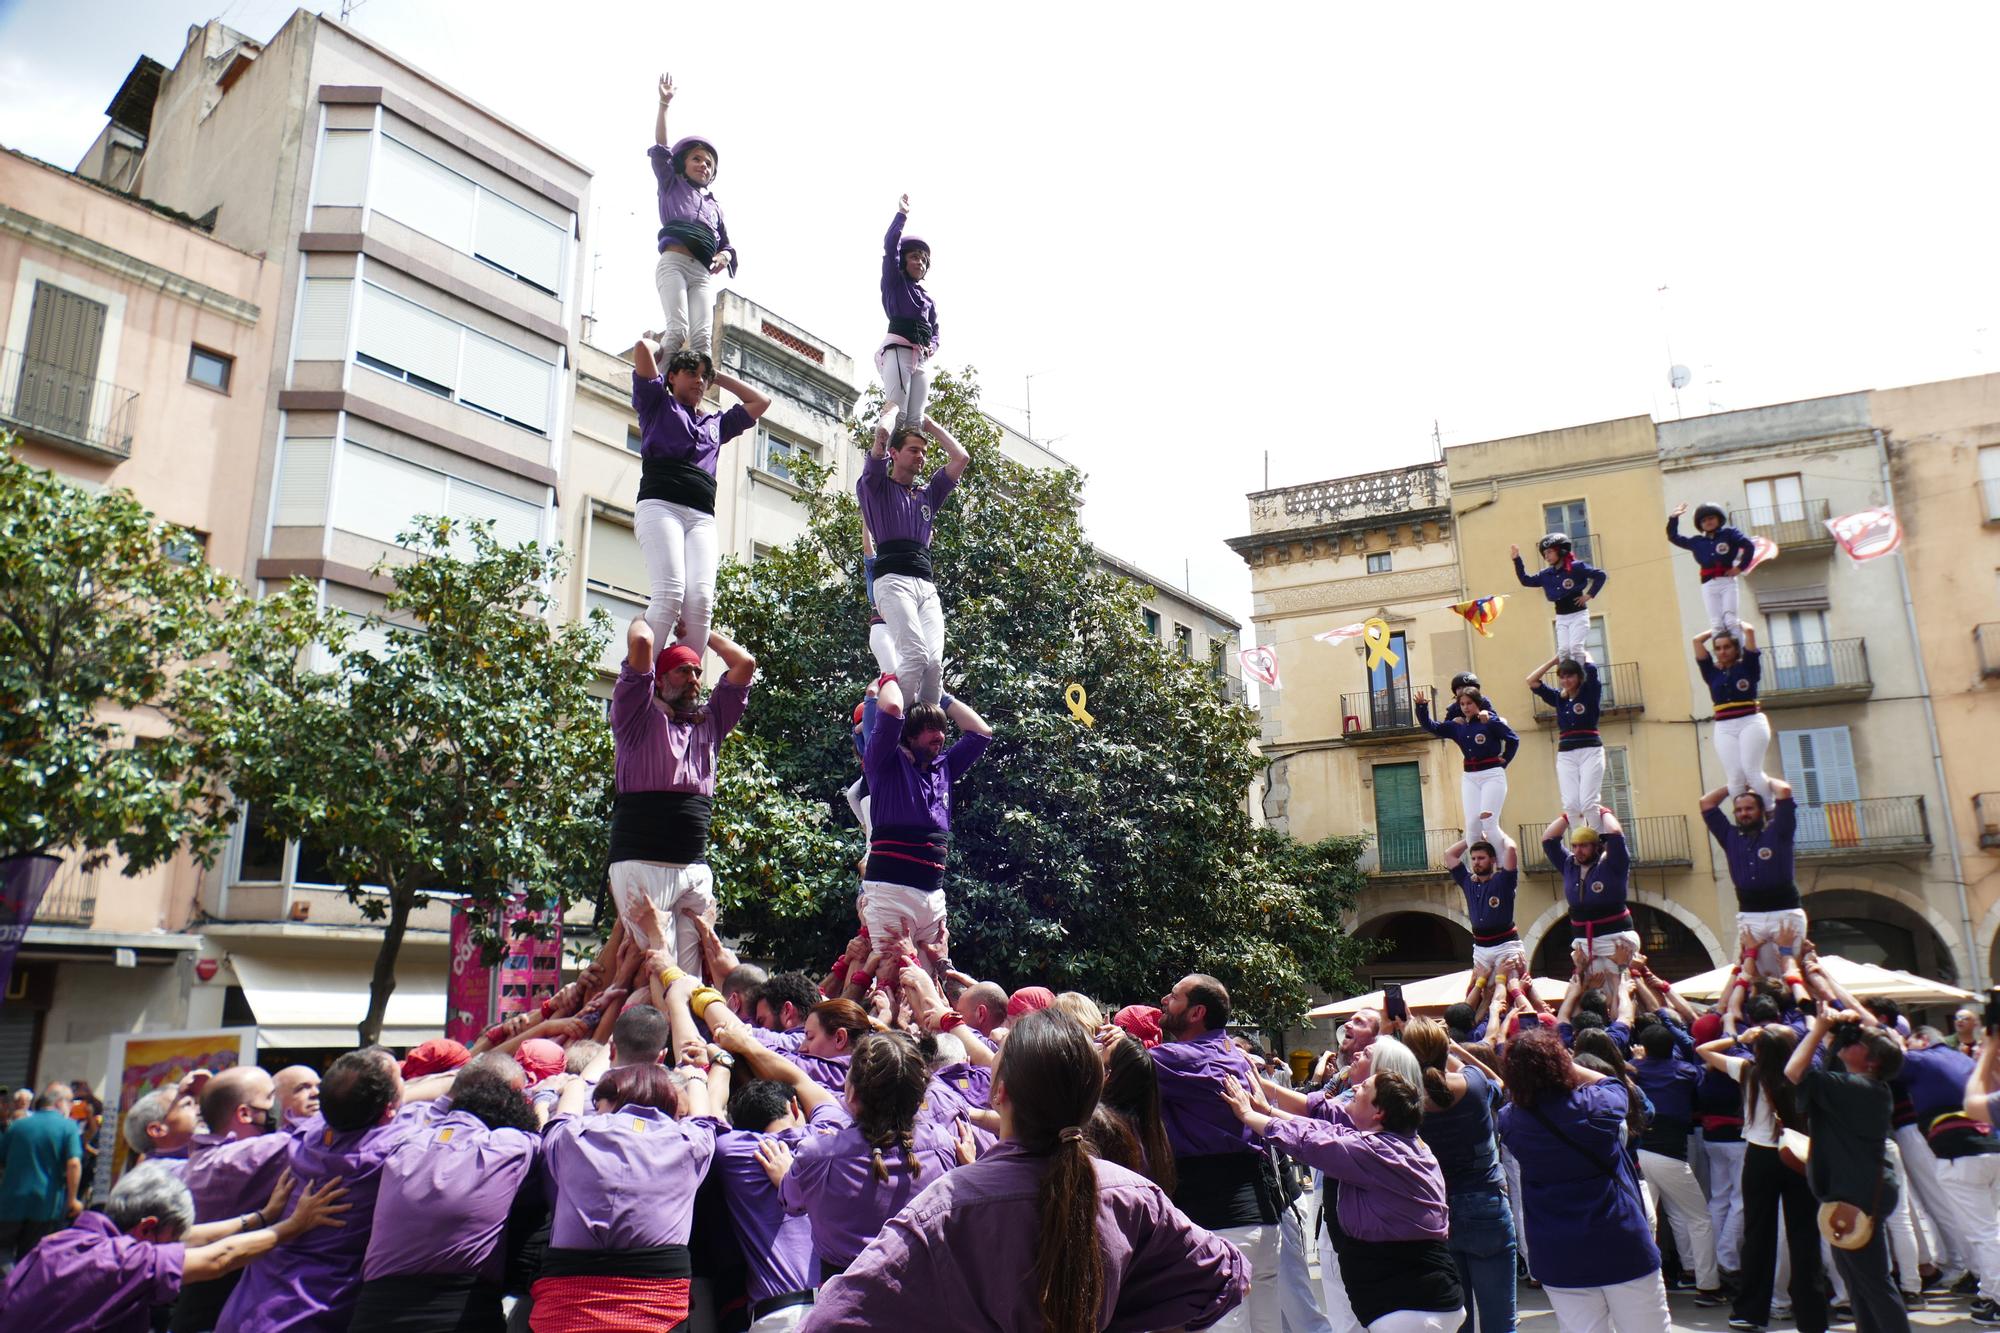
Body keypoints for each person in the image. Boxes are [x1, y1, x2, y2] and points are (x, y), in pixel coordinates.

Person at [804, 1009, 1250, 1331]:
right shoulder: (1130, 1194)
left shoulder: (946, 1206)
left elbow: (832, 1318)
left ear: (998, 1092)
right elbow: (1229, 1277)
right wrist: (1114, 1314)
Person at [1221, 1066, 1465, 1333]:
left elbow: (1310, 1141)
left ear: (1379, 1112)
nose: (1355, 1087)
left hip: (1408, 1307)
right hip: (1427, 1300)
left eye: (1365, 1087)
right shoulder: (1402, 1144)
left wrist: (1248, 1115)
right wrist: (1267, 1111)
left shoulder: (1374, 1153)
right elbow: (1327, 1131)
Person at [0, 1161, 348, 1333]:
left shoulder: (66, 1240)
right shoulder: (120, 1262)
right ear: (148, 1227)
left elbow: (188, 1238)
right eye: (169, 1238)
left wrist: (261, 1217)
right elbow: (219, 1259)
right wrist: (294, 1225)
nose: (175, 1246)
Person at [217, 1049, 418, 1333]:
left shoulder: (304, 1137)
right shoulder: (391, 1150)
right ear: (388, 1111)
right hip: (306, 1318)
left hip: (247, 1311)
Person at [1495, 1028, 1670, 1333]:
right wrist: (1565, 1064)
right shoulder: (1596, 1104)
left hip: (1556, 1249)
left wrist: (1532, 1073)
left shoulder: (1512, 1120)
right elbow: (1612, 1082)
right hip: (1619, 1238)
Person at [608, 616, 757, 967]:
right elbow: (642, 642)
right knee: (650, 969)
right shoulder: (636, 717)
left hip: (693, 866)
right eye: (683, 671)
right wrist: (652, 616)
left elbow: (745, 664)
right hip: (643, 864)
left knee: (690, 978)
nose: (693, 679)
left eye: (697, 672)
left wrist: (702, 631)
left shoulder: (710, 722)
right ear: (659, 680)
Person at [351, 1057, 542, 1331]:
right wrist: (547, 1097)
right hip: (460, 1314)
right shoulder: (509, 1146)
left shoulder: (403, 1140)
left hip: (373, 1312)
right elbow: (549, 1135)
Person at [533, 1060, 717, 1331]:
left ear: (611, 1100)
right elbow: (704, 1119)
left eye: (598, 1105)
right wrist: (696, 1079)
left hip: (566, 1316)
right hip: (658, 1318)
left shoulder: (572, 1137)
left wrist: (573, 1083)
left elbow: (561, 1119)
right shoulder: (691, 1143)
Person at [764, 1030, 959, 1278]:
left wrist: (785, 1175)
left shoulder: (816, 1156)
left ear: (851, 1092)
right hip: (919, 1289)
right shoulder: (942, 1145)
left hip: (843, 1291)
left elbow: (792, 1202)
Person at [1152, 974, 1283, 1332]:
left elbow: (1115, 1071)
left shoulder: (1178, 1058)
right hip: (1261, 1219)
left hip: (1220, 1221)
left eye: (1174, 996)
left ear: (1196, 1012)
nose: (1164, 1000)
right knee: (1266, 1326)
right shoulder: (1231, 1054)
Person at [628, 330, 771, 656]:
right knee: (670, 592)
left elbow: (760, 402)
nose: (699, 381)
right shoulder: (657, 404)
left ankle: (685, 673)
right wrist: (663, 346)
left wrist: (716, 375)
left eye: (703, 377)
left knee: (701, 600)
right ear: (671, 376)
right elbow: (641, 349)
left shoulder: (715, 423)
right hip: (661, 505)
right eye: (691, 373)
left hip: (701, 517)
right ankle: (643, 675)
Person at [1785, 1008, 1912, 1333]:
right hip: (1855, 1190)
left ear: (1872, 1061)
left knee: (1874, 1283)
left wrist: (1818, 1029)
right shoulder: (1861, 1085)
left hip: (1858, 1194)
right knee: (1858, 1281)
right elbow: (1828, 1062)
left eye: (1859, 1043)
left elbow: (1794, 1071)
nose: (1850, 1043)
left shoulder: (1858, 1088)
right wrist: (1836, 1030)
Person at [856, 675, 992, 977]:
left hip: (933, 897)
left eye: (942, 729)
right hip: (891, 894)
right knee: (892, 981)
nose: (940, 735)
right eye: (930, 728)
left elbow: (981, 732)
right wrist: (891, 676)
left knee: (929, 984)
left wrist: (940, 696)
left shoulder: (945, 766)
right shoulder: (885, 763)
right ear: (910, 735)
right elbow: (892, 709)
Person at [1697, 1022, 1828, 1333]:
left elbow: (1703, 1049)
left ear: (1760, 1049)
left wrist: (1738, 1037)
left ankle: (1750, 1312)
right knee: (1805, 1237)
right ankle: (1812, 1319)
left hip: (1759, 1156)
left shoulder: (1748, 1071)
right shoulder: (1803, 1073)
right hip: (1797, 1153)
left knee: (1758, 1235)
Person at [1402, 1017, 1516, 1333]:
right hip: (1486, 1205)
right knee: (1501, 1323)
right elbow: (1498, 1083)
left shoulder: (1404, 1102)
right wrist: (1453, 1048)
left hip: (1435, 1214)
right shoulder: (1474, 1084)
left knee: (1456, 1322)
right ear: (1445, 1049)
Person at [855, 413, 970, 705]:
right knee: (915, 655)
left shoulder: (927, 495)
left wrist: (929, 425)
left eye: (924, 452)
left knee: (934, 665)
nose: (921, 456)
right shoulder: (876, 487)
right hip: (893, 581)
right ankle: (895, 721)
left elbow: (961, 458)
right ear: (894, 454)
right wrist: (893, 412)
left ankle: (926, 726)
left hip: (925, 585)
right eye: (914, 450)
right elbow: (881, 438)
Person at [172, 1066, 290, 1332]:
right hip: (218, 1315)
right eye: (271, 1097)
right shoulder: (240, 1158)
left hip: (198, 1311)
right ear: (245, 1113)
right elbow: (308, 1140)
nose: (277, 1106)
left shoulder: (203, 1157)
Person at [1898, 1032, 2000, 1321]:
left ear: (1923, 1039)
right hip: (1990, 1147)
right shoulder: (1964, 1063)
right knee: (1990, 1229)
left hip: (1960, 1155)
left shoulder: (1923, 1061)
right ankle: (1989, 1293)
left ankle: (1997, 1299)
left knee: (1984, 1233)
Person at [1629, 1021, 1724, 1304]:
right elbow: (1703, 1068)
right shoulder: (1684, 1071)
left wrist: (1638, 1060)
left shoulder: (1633, 1069)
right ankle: (1708, 1286)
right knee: (1699, 1219)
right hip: (1671, 1156)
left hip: (1639, 1154)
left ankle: (1649, 1283)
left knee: (1648, 1221)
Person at [648, 74, 734, 358]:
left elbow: (728, 246)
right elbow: (661, 148)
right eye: (697, 159)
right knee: (677, 330)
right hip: (674, 262)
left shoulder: (714, 207)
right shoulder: (672, 184)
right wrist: (664, 104)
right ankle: (660, 379)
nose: (703, 166)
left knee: (702, 340)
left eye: (709, 163)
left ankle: (697, 384)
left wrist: (725, 256)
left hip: (701, 273)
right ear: (683, 163)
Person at [1700, 777, 1807, 985]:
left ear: (1761, 810)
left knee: (1790, 971)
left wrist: (1758, 778)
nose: (1744, 813)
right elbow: (1706, 803)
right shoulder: (1729, 836)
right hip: (1750, 915)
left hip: (1785, 912)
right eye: (1739, 810)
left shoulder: (1779, 832)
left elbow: (1784, 790)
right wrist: (1734, 785)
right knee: (1758, 977)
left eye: (1749, 808)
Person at [1541, 809, 1639, 985]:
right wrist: (1570, 814)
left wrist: (1601, 811)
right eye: (1575, 846)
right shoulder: (1569, 864)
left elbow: (1615, 833)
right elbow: (1548, 840)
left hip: (1615, 938)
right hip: (1584, 941)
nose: (1578, 851)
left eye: (1584, 845)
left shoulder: (1613, 863)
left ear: (1596, 846)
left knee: (1622, 987)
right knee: (1589, 990)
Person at [1415, 686, 1519, 846]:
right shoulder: (1457, 726)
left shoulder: (1489, 721)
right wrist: (1422, 707)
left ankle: (1505, 859)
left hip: (1492, 775)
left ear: (1478, 703)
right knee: (1472, 825)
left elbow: (1513, 739)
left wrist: (1505, 758)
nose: (1465, 707)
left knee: (1489, 823)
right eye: (1462, 704)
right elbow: (1433, 727)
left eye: (1469, 703)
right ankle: (1476, 861)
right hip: (1469, 777)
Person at [876, 194, 939, 447]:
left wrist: (932, 346)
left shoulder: (928, 300)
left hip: (920, 358)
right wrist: (901, 215)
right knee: (898, 412)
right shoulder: (895, 282)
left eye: (923, 260)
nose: (919, 262)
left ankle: (906, 464)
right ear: (904, 260)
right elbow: (890, 247)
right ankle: (881, 456)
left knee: (915, 420)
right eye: (914, 257)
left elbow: (935, 331)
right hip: (899, 350)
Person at [0, 1084, 81, 1270]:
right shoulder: (68, 1127)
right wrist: (73, 1199)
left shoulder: (18, 1125)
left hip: (10, 1201)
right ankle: (17, 1284)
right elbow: (74, 1164)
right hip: (45, 1204)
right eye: (70, 1102)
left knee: (3, 1248)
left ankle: (7, 1279)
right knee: (31, 1256)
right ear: (59, 1102)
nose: (71, 1107)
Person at [1694, 624, 1774, 805]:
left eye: (1727, 647)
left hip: (1750, 721)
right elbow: (1697, 641)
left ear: (1736, 649)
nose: (1722, 651)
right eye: (1718, 648)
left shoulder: (1748, 666)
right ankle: (1742, 813)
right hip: (1724, 726)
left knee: (1752, 771)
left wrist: (1734, 624)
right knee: (1735, 776)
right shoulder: (1711, 672)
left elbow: (1750, 631)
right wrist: (1715, 629)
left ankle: (1770, 809)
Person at [1527, 654, 1605, 834]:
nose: (1566, 680)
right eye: (1562, 677)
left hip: (1590, 750)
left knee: (1588, 803)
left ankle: (1599, 839)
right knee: (1571, 804)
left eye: (1570, 676)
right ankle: (1580, 840)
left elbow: (1592, 669)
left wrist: (1579, 652)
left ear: (1578, 677)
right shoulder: (1559, 698)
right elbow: (1531, 681)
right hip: (1566, 754)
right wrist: (1553, 661)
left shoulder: (1590, 693)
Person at [1444, 830, 1522, 1008]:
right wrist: (1472, 837)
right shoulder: (1467, 881)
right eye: (1473, 858)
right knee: (1481, 994)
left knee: (1512, 990)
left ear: (1493, 860)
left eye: (1481, 858)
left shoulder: (1504, 881)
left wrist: (1495, 831)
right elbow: (1449, 855)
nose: (1476, 862)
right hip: (1480, 948)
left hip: (1505, 946)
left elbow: (1511, 849)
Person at [1510, 533, 1607, 663]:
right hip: (1561, 617)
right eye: (1544, 553)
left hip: (1578, 615)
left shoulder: (1576, 567)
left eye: (1549, 552)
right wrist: (1517, 560)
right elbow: (1525, 580)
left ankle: (1582, 672)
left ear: (1561, 550)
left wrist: (1589, 595)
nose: (1546, 556)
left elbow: (1600, 575)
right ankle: (1568, 673)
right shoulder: (1546, 574)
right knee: (1564, 650)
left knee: (1576, 647)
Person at [1668, 501, 1756, 636]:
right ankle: (1720, 649)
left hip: (1728, 582)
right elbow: (1673, 537)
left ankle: (1740, 648)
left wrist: (1740, 567)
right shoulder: (1697, 541)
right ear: (1700, 525)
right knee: (1716, 624)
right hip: (1708, 584)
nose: (1708, 522)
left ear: (1718, 519)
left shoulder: (1729, 533)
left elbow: (1749, 545)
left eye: (1711, 518)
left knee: (1731, 620)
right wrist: (1673, 518)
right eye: (1703, 520)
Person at [121, 1083, 200, 1178]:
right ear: (157, 1130)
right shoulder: (164, 1173)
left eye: (197, 1103)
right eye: (187, 1104)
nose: (199, 1109)